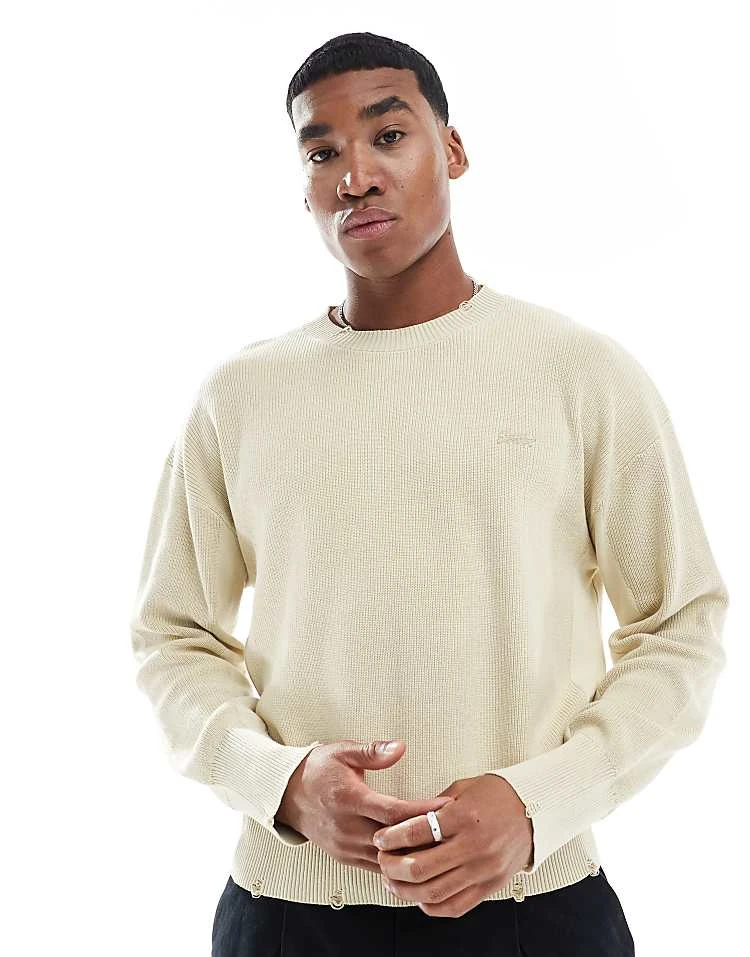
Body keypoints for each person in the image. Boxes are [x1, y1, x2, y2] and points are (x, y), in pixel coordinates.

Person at [129, 31, 728, 957]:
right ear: (303, 186)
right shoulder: (238, 398)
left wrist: (537, 803)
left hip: (536, 910)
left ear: (452, 149)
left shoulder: (579, 374)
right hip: (290, 915)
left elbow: (680, 626)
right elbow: (172, 636)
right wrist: (282, 784)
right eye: (322, 152)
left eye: (388, 135)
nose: (354, 176)